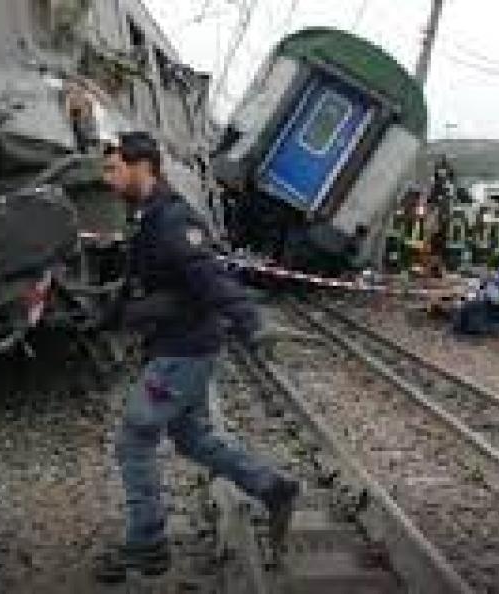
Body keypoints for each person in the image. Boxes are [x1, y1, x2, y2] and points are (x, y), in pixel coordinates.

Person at [94, 132, 302, 583]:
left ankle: (146, 544)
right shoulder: (148, 216)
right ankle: (274, 487)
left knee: (135, 437)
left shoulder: (173, 221)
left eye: (113, 169)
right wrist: (113, 315)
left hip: (182, 351)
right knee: (190, 438)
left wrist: (252, 323)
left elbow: (211, 280)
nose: (106, 179)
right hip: (176, 344)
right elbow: (152, 286)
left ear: (141, 166)